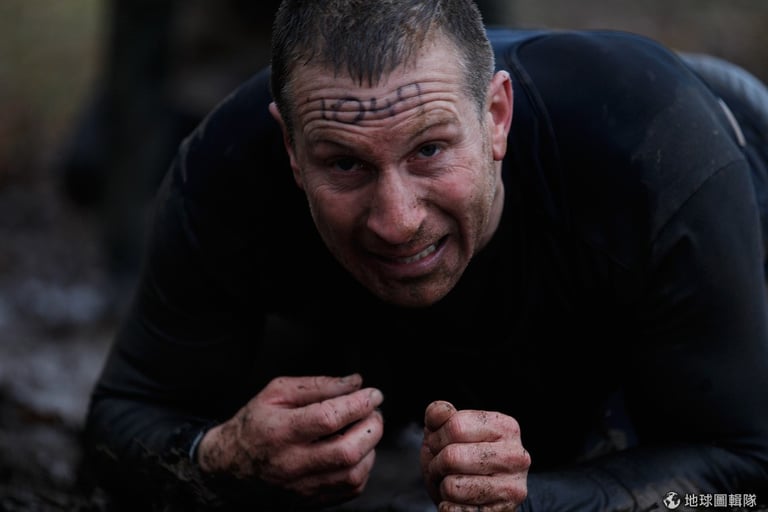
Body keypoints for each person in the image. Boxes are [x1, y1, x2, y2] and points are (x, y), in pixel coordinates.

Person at [83, 0, 768, 510]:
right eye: (345, 164)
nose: (397, 221)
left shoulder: (655, 159)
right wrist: (222, 456)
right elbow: (119, 423)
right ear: (290, 148)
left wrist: (539, 501)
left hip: (721, 163)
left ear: (496, 118)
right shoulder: (228, 167)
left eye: (430, 150)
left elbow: (745, 478)